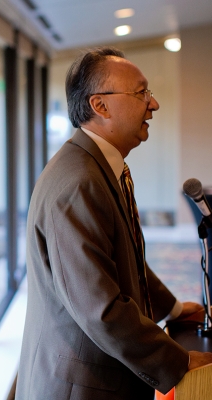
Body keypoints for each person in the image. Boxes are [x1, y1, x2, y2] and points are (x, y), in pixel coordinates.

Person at [15, 47, 212, 400]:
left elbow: (125, 261)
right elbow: (101, 310)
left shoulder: (97, 165)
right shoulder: (78, 182)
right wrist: (177, 362)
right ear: (100, 106)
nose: (153, 104)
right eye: (141, 93)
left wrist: (174, 309)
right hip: (80, 387)